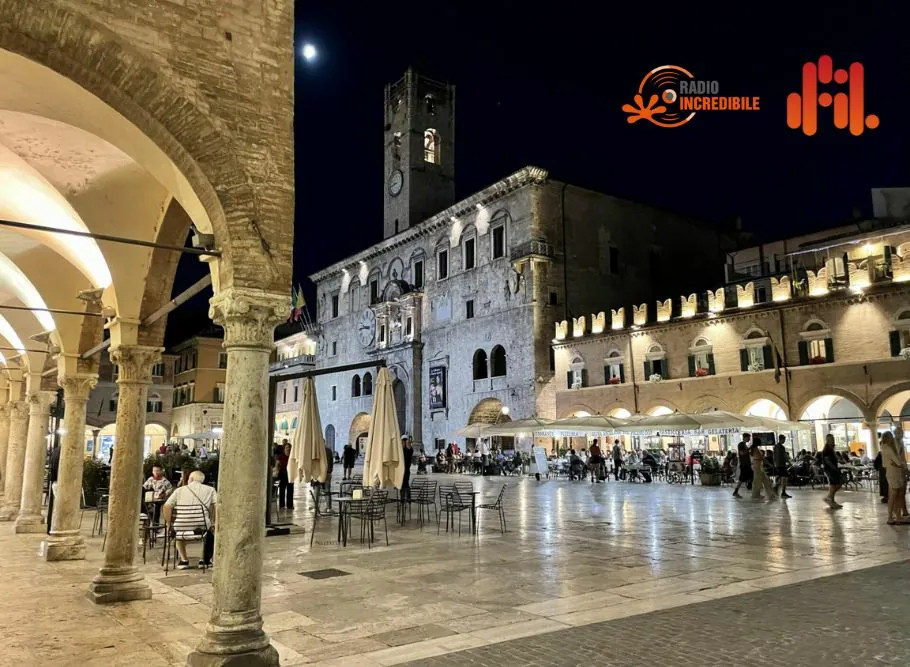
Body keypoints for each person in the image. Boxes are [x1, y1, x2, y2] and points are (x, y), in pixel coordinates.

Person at [163, 470, 216, 569]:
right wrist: (215, 522)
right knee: (210, 532)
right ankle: (204, 560)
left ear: (190, 479)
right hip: (201, 526)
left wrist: (169, 523)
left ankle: (184, 560)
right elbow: (217, 505)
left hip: (181, 526)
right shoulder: (210, 490)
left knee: (179, 531)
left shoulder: (179, 490)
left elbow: (166, 506)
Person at [880, 431, 909, 524]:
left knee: (896, 495)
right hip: (894, 473)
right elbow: (898, 462)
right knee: (894, 495)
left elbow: (886, 464)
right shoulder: (888, 449)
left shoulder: (884, 448)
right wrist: (904, 468)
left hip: (892, 472)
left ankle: (897, 515)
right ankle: (891, 517)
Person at [821, 434, 843, 509]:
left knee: (833, 485)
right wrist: (834, 468)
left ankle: (832, 501)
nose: (833, 440)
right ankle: (829, 497)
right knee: (838, 484)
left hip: (832, 468)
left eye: (833, 439)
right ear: (827, 440)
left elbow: (832, 458)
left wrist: (838, 460)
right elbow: (827, 460)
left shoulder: (830, 448)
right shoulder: (827, 449)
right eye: (831, 439)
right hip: (830, 469)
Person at [276, 440, 294, 510]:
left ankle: (290, 505)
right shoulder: (281, 456)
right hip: (282, 474)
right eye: (286, 447)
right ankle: (282, 505)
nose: (288, 449)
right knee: (282, 490)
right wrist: (277, 471)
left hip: (290, 474)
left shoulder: (292, 456)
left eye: (289, 447)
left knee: (290, 490)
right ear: (284, 449)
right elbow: (277, 464)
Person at [772, 435, 792, 499]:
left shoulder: (775, 447)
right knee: (785, 478)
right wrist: (789, 462)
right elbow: (785, 456)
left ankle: (776, 488)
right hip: (781, 465)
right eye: (784, 440)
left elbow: (774, 456)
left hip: (777, 464)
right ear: (781, 439)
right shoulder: (781, 447)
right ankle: (782, 491)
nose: (784, 441)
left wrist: (775, 463)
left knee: (781, 477)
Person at [401, 434, 413, 502]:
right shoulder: (402, 450)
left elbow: (410, 450)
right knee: (404, 484)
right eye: (404, 441)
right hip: (403, 470)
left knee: (405, 484)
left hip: (406, 470)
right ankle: (406, 497)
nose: (404, 442)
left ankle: (405, 498)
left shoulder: (408, 450)